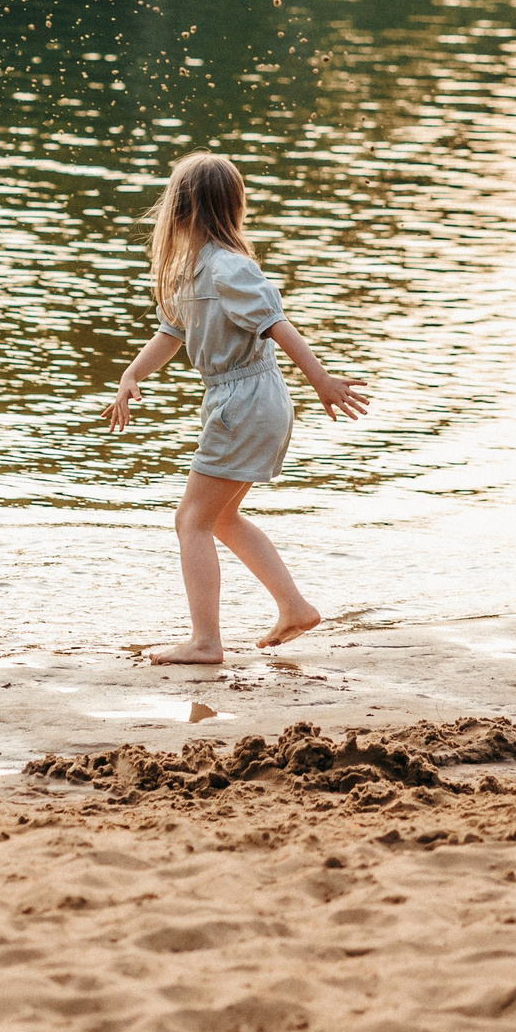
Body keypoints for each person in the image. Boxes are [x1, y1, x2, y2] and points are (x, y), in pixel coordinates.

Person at [102, 151, 369, 662]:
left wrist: (321, 380)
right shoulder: (193, 272)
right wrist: (131, 374)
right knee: (221, 518)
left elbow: (277, 324)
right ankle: (294, 606)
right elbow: (171, 333)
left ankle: (206, 641)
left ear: (180, 210)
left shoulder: (228, 268)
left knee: (191, 521)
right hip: (245, 401)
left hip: (244, 400)